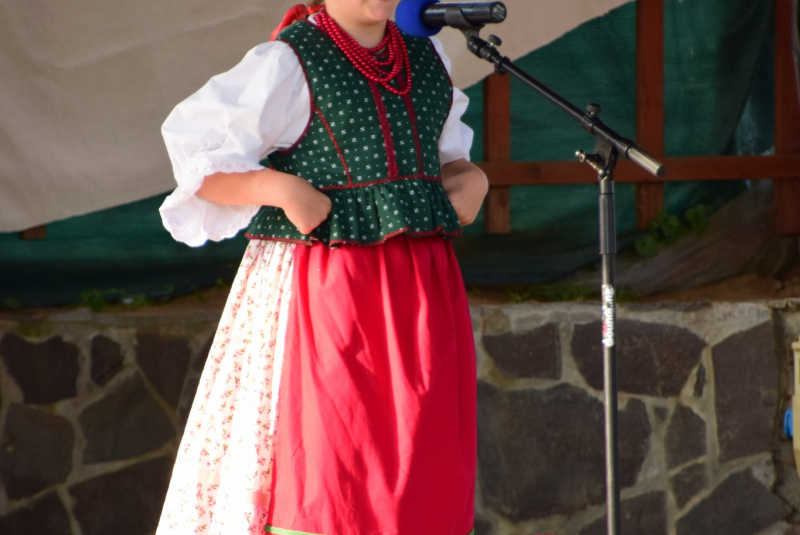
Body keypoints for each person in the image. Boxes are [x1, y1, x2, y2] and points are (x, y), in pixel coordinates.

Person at [156, 0, 488, 534]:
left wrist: (473, 178)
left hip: (423, 292)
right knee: (335, 462)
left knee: (424, 461)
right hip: (329, 286)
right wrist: (277, 186)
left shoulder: (426, 55)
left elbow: (449, 155)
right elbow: (197, 157)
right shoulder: (290, 61)